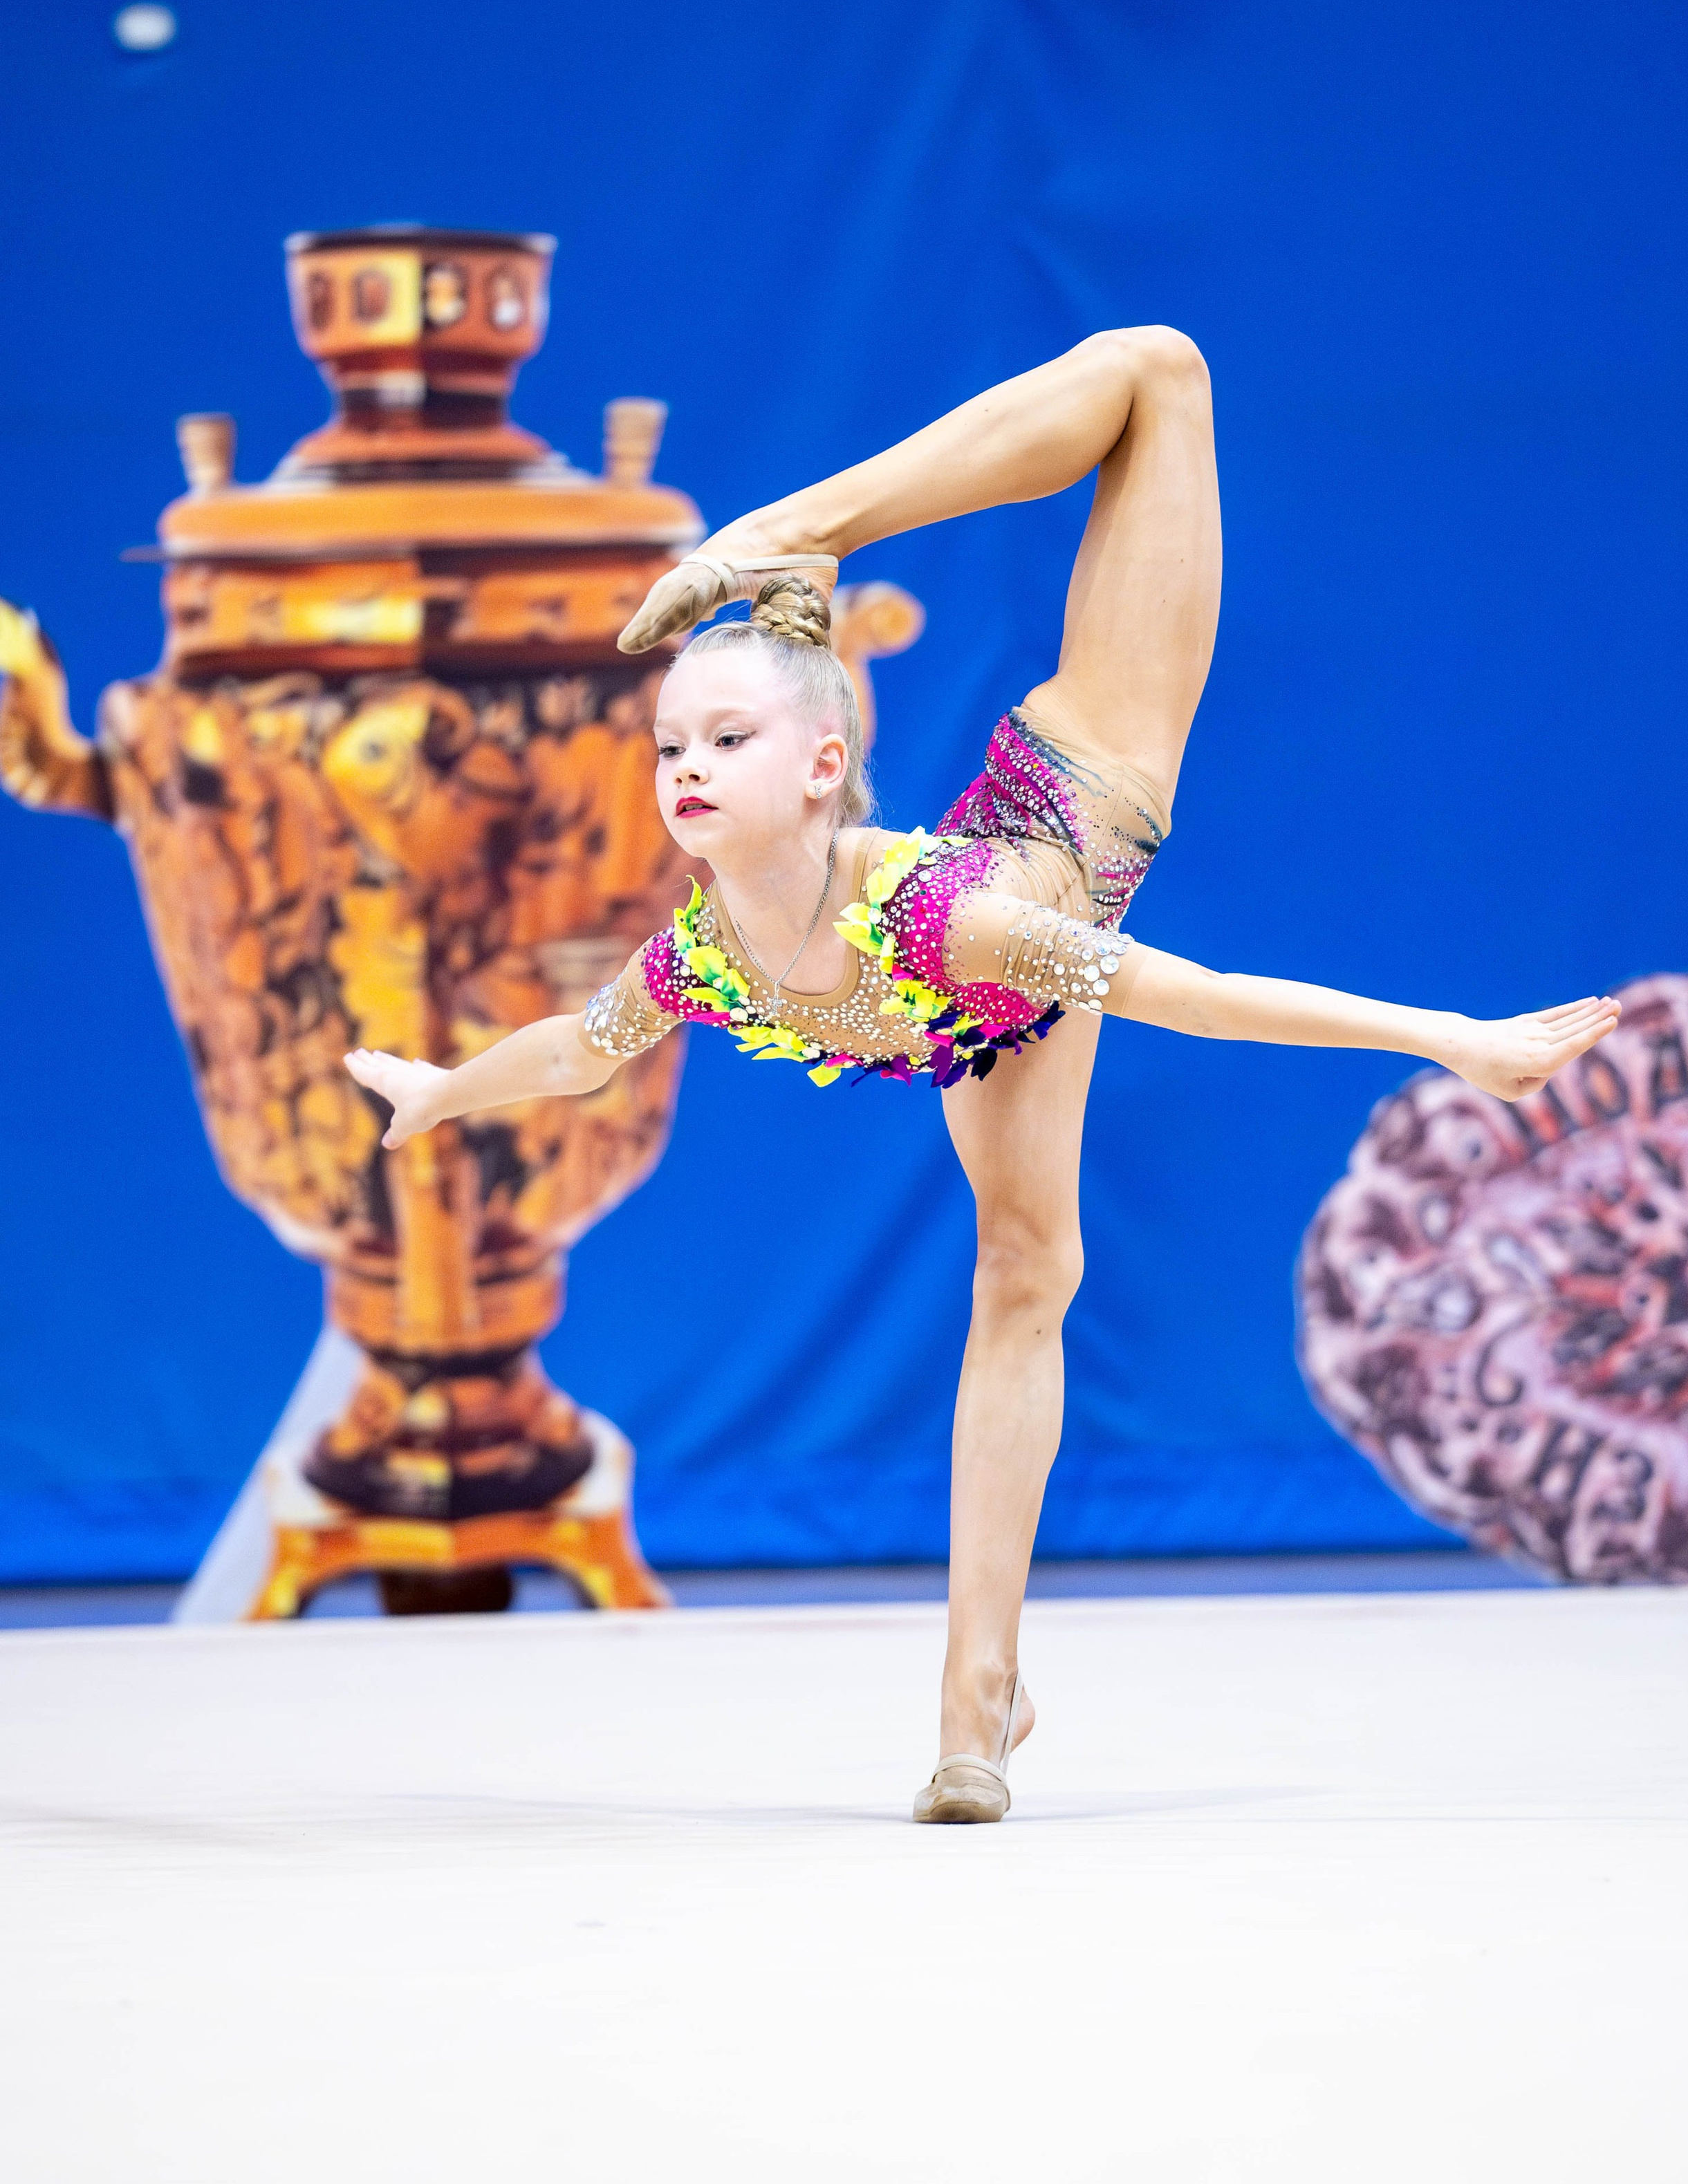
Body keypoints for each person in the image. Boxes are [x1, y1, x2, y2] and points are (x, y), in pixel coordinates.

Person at [346, 329, 1619, 1822]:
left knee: (1162, 367)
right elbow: (576, 1049)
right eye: (669, 743)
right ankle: (985, 1699)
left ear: (824, 764)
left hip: (1079, 797)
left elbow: (1191, 998)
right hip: (971, 1017)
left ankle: (804, 526)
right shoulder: (705, 951)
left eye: (727, 735)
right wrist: (440, 1090)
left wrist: (1449, 1038)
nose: (682, 764)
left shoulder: (947, 915)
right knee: (1021, 1278)